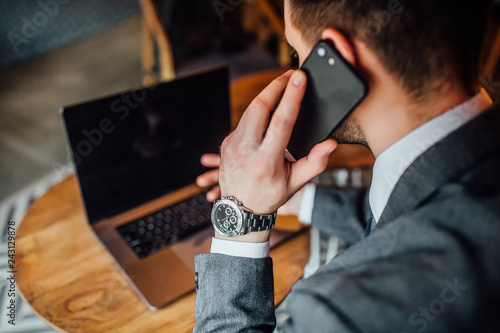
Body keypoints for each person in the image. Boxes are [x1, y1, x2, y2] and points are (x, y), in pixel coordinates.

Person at [193, 0, 500, 332]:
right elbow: (415, 218)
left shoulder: (339, 310)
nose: (297, 71)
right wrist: (300, 201)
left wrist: (241, 217)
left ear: (339, 59)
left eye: (298, 55)